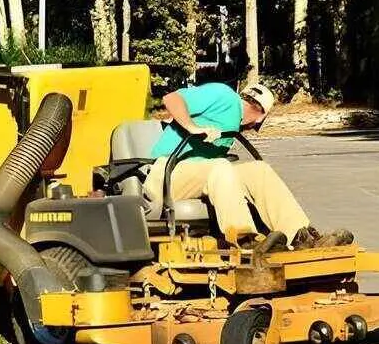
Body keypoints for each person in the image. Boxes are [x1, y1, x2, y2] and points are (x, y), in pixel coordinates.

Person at [142, 80, 354, 250]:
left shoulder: (232, 121)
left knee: (259, 170)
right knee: (220, 166)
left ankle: (300, 235)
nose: (253, 129)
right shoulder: (223, 96)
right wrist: (192, 127)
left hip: (201, 176)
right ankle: (245, 239)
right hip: (167, 172)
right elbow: (172, 98)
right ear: (261, 116)